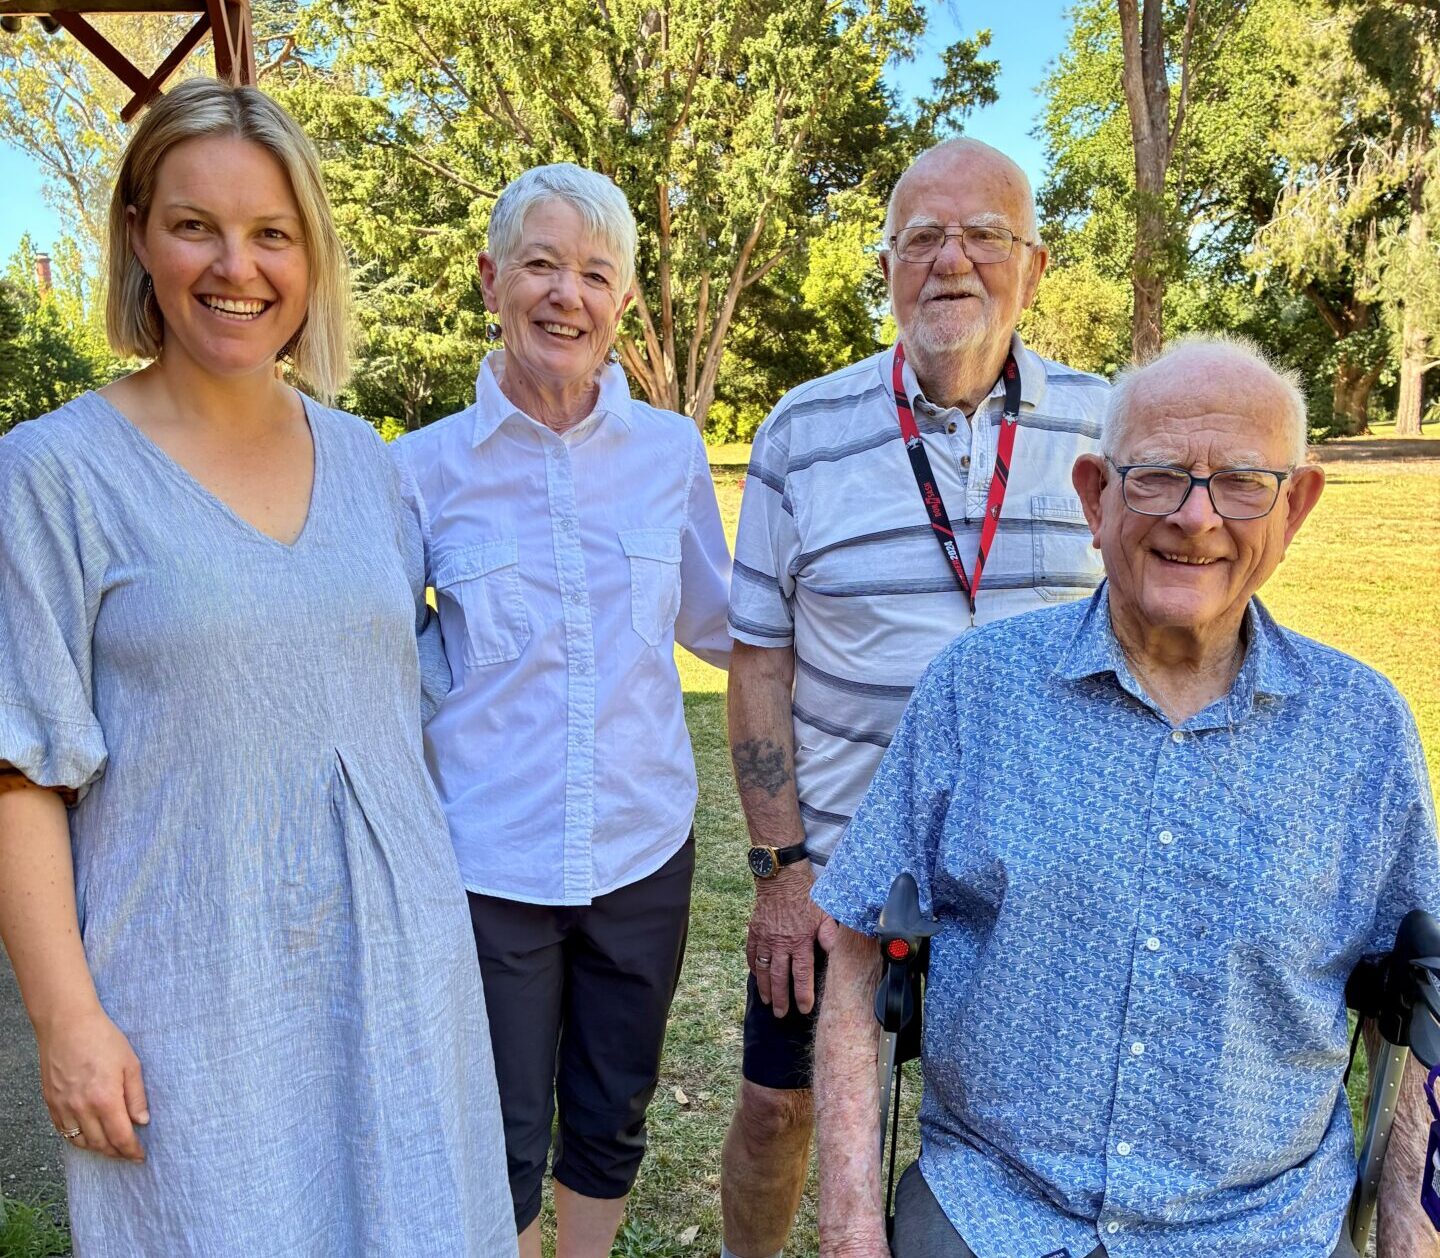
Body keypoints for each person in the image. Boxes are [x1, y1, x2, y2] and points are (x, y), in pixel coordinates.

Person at [0, 79, 515, 1256]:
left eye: (271, 233)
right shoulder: (52, 476)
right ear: (137, 233)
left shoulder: (370, 465)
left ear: (310, 255)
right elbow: (19, 766)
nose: (237, 266)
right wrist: (65, 1015)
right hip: (190, 987)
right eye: (196, 225)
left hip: (397, 975)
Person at [811, 337, 1440, 1258]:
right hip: (997, 1211)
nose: (1196, 518)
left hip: (1267, 1229)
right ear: (1095, 497)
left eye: (1242, 482)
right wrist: (850, 1235)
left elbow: (1424, 994)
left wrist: (1409, 1238)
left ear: (1296, 504)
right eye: (1156, 477)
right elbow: (860, 947)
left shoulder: (1362, 730)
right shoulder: (977, 691)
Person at [720, 137, 1109, 1258]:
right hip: (846, 867)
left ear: (1033, 266)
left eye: (984, 234)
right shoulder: (801, 432)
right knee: (779, 1106)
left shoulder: (1112, 428)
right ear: (887, 264)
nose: (953, 260)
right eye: (923, 237)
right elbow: (758, 661)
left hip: (1044, 875)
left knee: (1028, 1138)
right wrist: (781, 870)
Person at [393, 162, 732, 1258]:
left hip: (642, 849)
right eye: (540, 264)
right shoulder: (419, 473)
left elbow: (720, 625)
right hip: (486, 861)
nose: (565, 295)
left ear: (622, 300)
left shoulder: (672, 455)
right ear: (492, 281)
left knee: (612, 1110)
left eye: (594, 273)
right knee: (495, 1130)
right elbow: (386, 658)